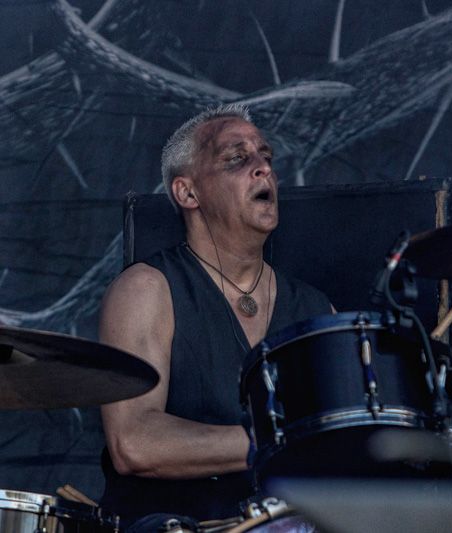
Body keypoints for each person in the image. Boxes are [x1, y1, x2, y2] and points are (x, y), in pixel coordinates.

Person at [98, 104, 332, 529]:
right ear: (188, 193)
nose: (264, 168)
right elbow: (133, 443)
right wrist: (276, 440)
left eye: (266, 156)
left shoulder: (317, 310)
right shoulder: (147, 290)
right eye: (237, 159)